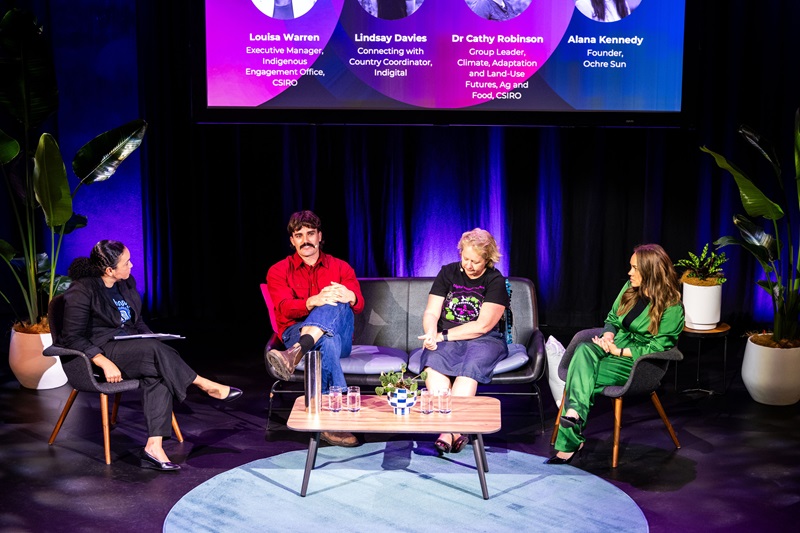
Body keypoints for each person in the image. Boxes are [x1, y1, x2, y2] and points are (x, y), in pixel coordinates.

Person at [60, 240, 242, 472]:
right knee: (157, 354)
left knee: (159, 370)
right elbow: (72, 338)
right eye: (126, 263)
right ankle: (203, 384)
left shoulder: (126, 284)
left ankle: (153, 448)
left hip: (134, 349)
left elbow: (137, 322)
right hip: (102, 353)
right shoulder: (83, 290)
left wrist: (153, 337)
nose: (132, 265)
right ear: (109, 270)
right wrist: (102, 361)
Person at [548, 243, 684, 464]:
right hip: (614, 347)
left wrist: (620, 351)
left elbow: (659, 347)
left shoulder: (672, 307)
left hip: (636, 361)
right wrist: (608, 337)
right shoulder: (630, 289)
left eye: (635, 268)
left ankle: (570, 436)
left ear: (650, 271)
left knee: (579, 374)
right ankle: (573, 417)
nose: (629, 273)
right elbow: (612, 319)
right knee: (583, 350)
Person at [266, 210, 364, 447]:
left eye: (310, 233)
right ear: (292, 240)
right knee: (325, 340)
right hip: (294, 332)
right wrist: (313, 301)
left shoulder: (340, 267)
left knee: (337, 298)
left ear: (320, 236)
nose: (305, 239)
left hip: (341, 337)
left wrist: (349, 295)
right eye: (299, 235)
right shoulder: (278, 271)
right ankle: (333, 419)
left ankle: (297, 353)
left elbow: (358, 305)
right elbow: (283, 309)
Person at [418, 228, 509, 454]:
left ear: (487, 260)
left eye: (475, 262)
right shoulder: (448, 272)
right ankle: (456, 431)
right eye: (465, 258)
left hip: (485, 340)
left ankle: (447, 431)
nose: (468, 265)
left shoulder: (495, 280)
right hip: (448, 338)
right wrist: (431, 333)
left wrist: (443, 335)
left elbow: (483, 326)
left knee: (469, 368)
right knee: (432, 363)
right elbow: (431, 312)